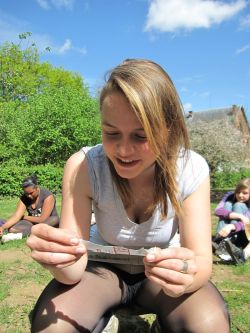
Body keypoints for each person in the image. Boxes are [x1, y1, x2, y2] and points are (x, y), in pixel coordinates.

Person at [27, 59, 230, 333]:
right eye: (111, 133)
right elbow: (73, 269)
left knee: (209, 325)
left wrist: (186, 276)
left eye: (140, 135)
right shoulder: (84, 167)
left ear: (168, 130)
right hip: (101, 273)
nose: (123, 150)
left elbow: (202, 261)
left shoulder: (191, 169)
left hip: (160, 279)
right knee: (53, 328)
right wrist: (58, 259)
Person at [0, 175, 59, 242]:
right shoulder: (24, 198)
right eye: (26, 194)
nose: (29, 196)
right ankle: (33, 232)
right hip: (33, 223)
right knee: (12, 229)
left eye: (31, 193)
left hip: (48, 222)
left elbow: (42, 219)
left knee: (54, 219)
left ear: (36, 188)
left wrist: (24, 217)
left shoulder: (48, 196)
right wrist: (3, 227)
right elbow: (17, 216)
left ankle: (20, 235)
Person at [213, 178, 250, 263]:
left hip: (244, 233)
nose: (240, 195)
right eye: (238, 192)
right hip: (232, 228)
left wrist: (232, 226)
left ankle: (232, 241)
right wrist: (239, 216)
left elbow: (248, 223)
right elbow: (217, 211)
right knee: (228, 204)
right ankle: (221, 241)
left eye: (245, 193)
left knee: (238, 205)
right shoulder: (230, 195)